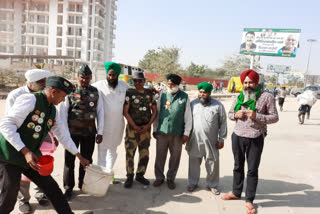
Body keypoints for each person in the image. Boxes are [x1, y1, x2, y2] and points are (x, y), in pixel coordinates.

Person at [0, 76, 90, 214]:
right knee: (8, 196)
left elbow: (63, 134)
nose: (63, 100)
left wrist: (78, 155)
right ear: (53, 92)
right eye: (63, 96)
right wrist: (25, 151)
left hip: (31, 155)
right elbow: (6, 124)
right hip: (9, 155)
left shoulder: (53, 110)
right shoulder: (30, 100)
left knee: (51, 188)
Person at [221, 69, 279, 214]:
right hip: (238, 136)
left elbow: (274, 117)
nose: (247, 85)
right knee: (237, 166)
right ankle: (236, 192)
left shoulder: (267, 97)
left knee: (252, 170)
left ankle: (249, 200)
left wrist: (257, 116)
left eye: (250, 82)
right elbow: (230, 114)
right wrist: (236, 114)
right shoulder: (239, 96)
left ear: (256, 82)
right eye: (245, 82)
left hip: (255, 137)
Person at [5, 69, 51, 213]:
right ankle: (23, 200)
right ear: (31, 83)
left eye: (45, 81)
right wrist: (23, 148)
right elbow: (10, 121)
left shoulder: (45, 95)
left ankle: (40, 194)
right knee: (23, 172)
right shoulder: (16, 95)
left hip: (41, 138)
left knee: (40, 166)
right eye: (41, 82)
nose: (44, 85)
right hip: (21, 141)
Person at [59, 64, 104, 200]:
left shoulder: (96, 92)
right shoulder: (70, 91)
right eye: (82, 77)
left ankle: (83, 183)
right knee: (69, 161)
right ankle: (68, 188)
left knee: (87, 160)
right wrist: (64, 133)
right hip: (72, 133)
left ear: (91, 77)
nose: (84, 80)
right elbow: (63, 114)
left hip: (89, 133)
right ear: (78, 77)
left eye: (87, 77)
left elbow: (100, 112)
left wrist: (100, 132)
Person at [186, 82, 227, 194]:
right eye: (200, 92)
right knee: (194, 162)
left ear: (209, 93)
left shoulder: (218, 106)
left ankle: (212, 185)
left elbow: (223, 122)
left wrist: (221, 138)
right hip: (194, 139)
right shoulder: (192, 104)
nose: (202, 94)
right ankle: (193, 182)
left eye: (205, 92)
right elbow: (186, 120)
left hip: (212, 141)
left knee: (213, 162)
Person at [153, 73, 192, 190]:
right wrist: (155, 129)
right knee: (160, 156)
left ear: (177, 85)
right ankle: (159, 177)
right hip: (162, 132)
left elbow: (188, 116)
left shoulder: (184, 97)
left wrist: (186, 133)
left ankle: (170, 178)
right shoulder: (163, 95)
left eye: (172, 84)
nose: (170, 86)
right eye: (168, 84)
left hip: (177, 133)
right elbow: (157, 113)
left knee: (175, 157)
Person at [92, 62, 130, 182]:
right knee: (102, 151)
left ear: (117, 75)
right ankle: (101, 177)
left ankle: (108, 175)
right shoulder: (98, 85)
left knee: (113, 151)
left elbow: (135, 94)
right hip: (103, 125)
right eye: (109, 75)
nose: (111, 77)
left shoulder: (124, 86)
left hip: (118, 125)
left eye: (113, 75)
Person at [123, 71, 157, 188]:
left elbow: (154, 111)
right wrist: (134, 126)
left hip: (146, 129)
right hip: (132, 129)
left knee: (144, 153)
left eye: (140, 81)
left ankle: (140, 175)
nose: (138, 83)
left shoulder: (149, 93)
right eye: (135, 81)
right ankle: (129, 176)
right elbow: (125, 112)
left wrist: (148, 126)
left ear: (144, 81)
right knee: (130, 152)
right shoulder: (129, 93)